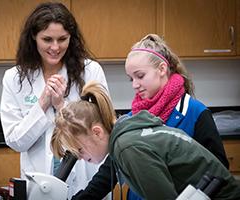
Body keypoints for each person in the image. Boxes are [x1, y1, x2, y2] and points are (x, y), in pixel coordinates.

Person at [71, 34, 230, 200]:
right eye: (131, 79)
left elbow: (218, 172)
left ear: (162, 69)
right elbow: (108, 171)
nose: (134, 85)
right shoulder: (133, 118)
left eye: (140, 76)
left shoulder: (195, 113)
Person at [51, 81, 240, 200]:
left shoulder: (128, 147)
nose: (82, 158)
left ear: (97, 132)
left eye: (80, 150)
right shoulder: (128, 133)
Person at [0, 2, 109, 199]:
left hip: (87, 180)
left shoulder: (91, 71)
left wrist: (62, 107)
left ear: (71, 38)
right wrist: (42, 104)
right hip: (39, 183)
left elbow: (102, 133)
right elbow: (16, 141)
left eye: (62, 39)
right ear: (34, 37)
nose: (55, 47)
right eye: (47, 39)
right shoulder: (14, 79)